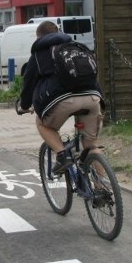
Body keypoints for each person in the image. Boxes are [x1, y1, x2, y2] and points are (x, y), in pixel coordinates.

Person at [18, 21, 104, 174]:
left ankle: (62, 155)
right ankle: (104, 190)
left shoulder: (38, 54)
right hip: (92, 97)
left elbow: (28, 83)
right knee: (91, 145)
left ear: (39, 38)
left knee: (43, 125)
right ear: (59, 32)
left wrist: (24, 105)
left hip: (63, 100)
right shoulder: (76, 48)